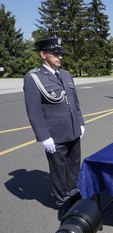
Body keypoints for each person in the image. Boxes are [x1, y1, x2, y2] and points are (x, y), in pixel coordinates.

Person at [23, 37, 85, 210]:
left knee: (74, 164)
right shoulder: (34, 78)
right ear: (43, 54)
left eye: (61, 53)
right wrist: (44, 137)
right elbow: (33, 111)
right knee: (58, 169)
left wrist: (80, 122)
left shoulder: (65, 75)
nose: (60, 56)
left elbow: (75, 102)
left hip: (73, 130)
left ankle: (72, 191)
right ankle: (61, 200)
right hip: (55, 135)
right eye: (55, 53)